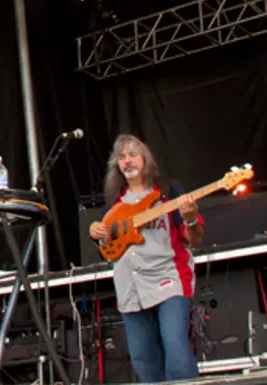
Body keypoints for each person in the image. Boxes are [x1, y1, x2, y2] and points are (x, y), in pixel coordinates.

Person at [89, 134, 204, 383]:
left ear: (145, 159)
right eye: (121, 157)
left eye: (132, 155)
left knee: (175, 344)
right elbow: (107, 247)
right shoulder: (114, 202)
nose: (127, 161)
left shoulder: (167, 190)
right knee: (142, 358)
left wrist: (191, 218)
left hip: (168, 279)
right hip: (130, 287)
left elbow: (194, 238)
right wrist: (96, 232)